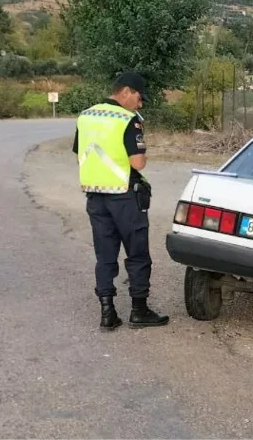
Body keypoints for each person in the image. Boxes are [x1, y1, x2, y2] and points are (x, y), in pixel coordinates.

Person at [73, 71, 169, 331]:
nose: (140, 104)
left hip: (95, 196)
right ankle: (139, 310)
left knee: (105, 256)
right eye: (139, 98)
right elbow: (137, 162)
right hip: (124, 197)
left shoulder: (86, 116)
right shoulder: (127, 119)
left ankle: (107, 312)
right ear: (126, 91)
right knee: (137, 254)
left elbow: (79, 152)